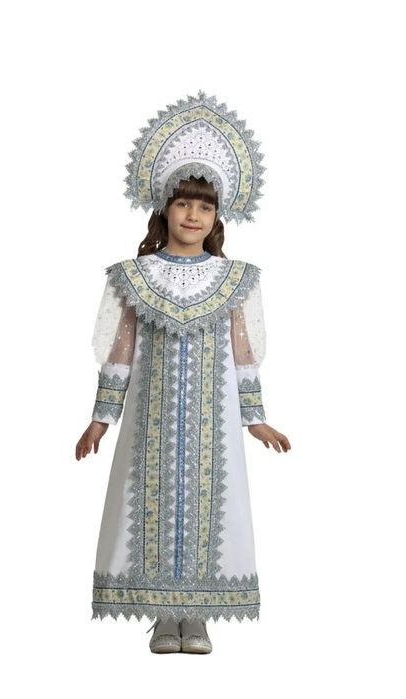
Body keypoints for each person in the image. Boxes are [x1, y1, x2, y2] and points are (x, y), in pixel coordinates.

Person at [75, 91, 291, 654]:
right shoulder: (134, 276)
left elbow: (243, 354)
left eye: (205, 208)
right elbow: (120, 352)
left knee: (209, 505)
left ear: (218, 217)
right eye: (183, 204)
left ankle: (195, 617)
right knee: (147, 503)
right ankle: (161, 616)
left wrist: (256, 419)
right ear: (164, 209)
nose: (193, 216)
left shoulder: (235, 279)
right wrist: (100, 419)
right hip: (150, 419)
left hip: (213, 423)